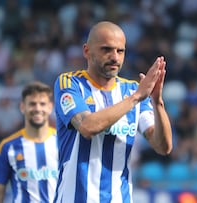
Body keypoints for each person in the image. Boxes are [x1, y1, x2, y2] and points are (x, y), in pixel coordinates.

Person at [53, 21, 173, 203]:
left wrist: (157, 103)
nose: (115, 57)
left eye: (120, 51)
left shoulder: (133, 90)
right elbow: (87, 126)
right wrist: (136, 98)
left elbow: (163, 146)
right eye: (106, 49)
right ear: (87, 51)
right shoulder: (70, 84)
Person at [0, 81, 59, 203]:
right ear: (22, 107)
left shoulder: (63, 142)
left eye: (42, 104)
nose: (37, 108)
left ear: (50, 107)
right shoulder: (8, 147)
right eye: (32, 104)